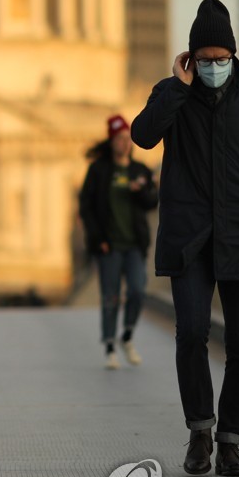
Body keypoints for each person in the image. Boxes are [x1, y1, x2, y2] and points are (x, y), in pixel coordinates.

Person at [131, 0, 239, 477]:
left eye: (220, 60)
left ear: (233, 56)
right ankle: (199, 434)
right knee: (191, 336)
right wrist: (178, 90)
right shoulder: (172, 94)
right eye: (203, 61)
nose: (213, 68)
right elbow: (143, 136)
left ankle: (230, 443)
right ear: (189, 60)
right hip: (189, 239)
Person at [79, 115, 158, 370]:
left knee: (137, 290)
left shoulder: (140, 171)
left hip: (135, 244)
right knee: (110, 296)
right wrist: (97, 238)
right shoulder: (99, 171)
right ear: (112, 142)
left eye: (127, 139)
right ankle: (110, 346)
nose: (125, 144)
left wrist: (141, 192)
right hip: (109, 245)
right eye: (120, 139)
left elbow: (152, 202)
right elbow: (86, 206)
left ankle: (127, 335)